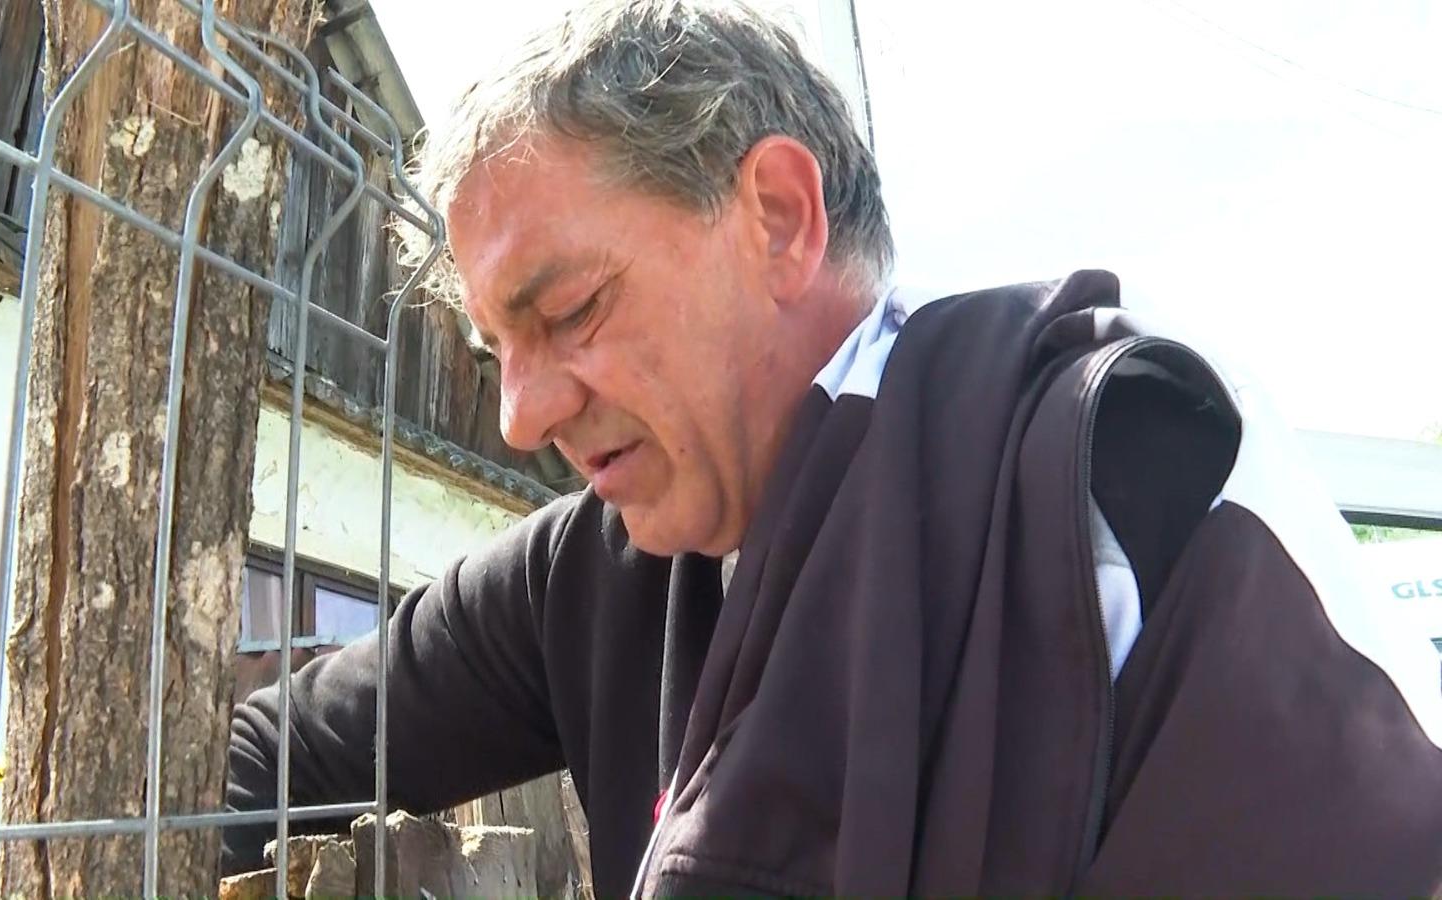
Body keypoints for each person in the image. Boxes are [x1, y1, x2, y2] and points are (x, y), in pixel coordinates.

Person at [223, 0, 1442, 894]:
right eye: (496, 346)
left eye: (573, 311)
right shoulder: (581, 576)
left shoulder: (1114, 471)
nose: (519, 417)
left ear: (778, 216)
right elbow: (260, 758)